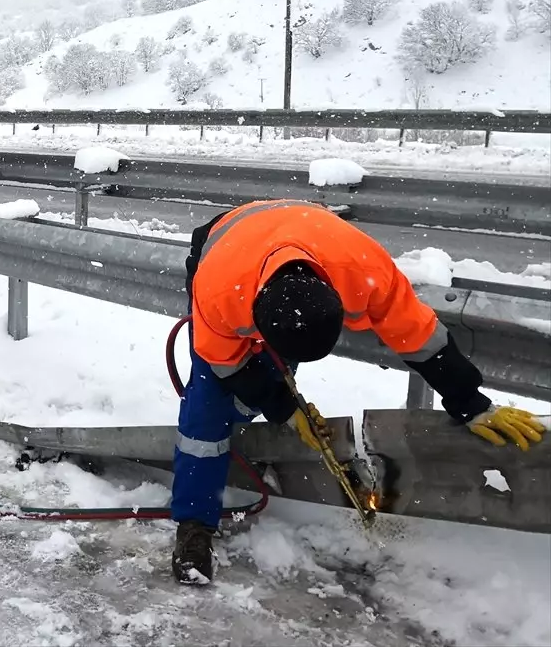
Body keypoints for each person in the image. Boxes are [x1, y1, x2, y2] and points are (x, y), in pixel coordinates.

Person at [170, 198, 545, 586]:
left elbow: (421, 339)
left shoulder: (365, 271)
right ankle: (194, 525)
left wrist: (472, 404)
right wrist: (285, 408)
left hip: (305, 236)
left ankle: (261, 396)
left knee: (264, 381)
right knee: (209, 404)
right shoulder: (217, 294)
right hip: (223, 245)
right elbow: (225, 361)